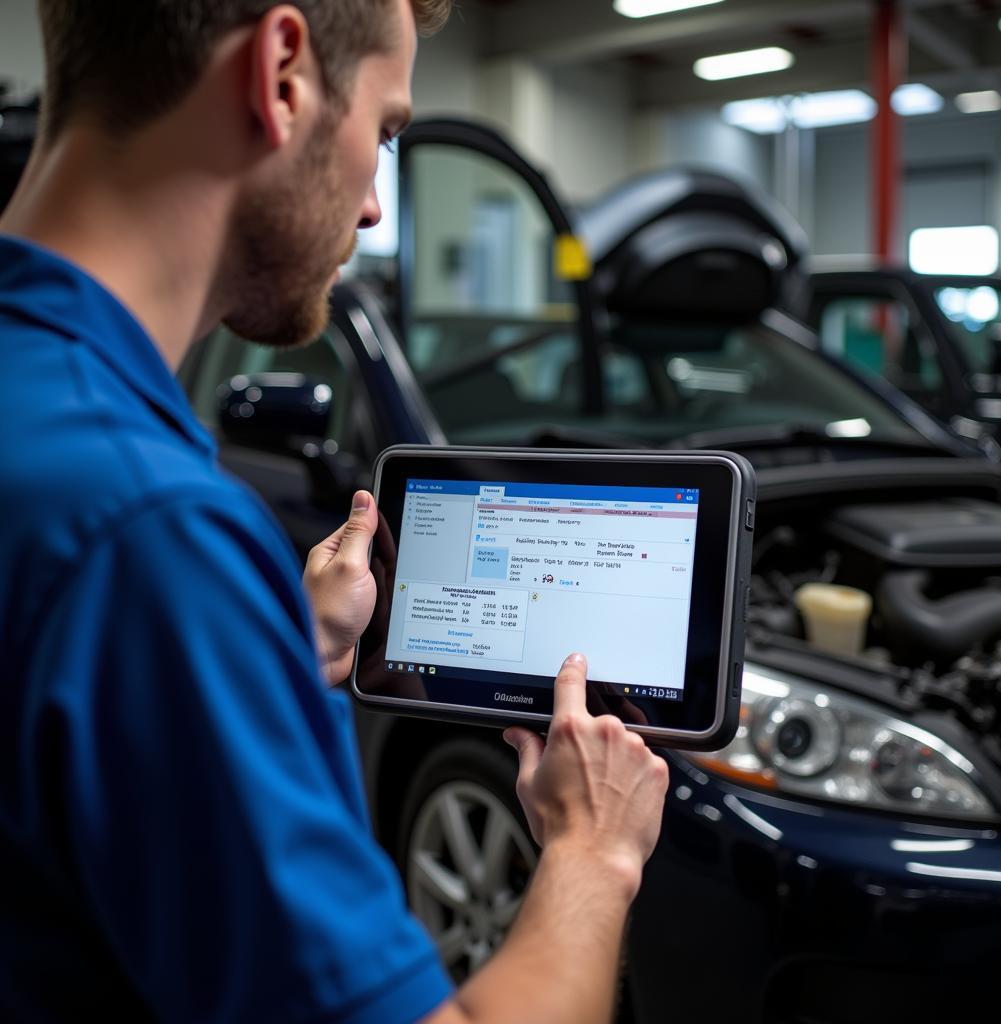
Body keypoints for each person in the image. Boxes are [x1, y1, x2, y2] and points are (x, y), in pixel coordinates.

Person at [0, 0, 669, 1021]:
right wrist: (592, 852)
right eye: (385, 134)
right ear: (280, 73)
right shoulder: (143, 532)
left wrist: (276, 642)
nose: (370, 209)